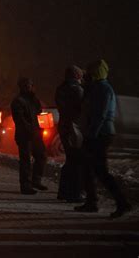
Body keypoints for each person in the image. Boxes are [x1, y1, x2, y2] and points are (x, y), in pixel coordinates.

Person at [74, 59, 131, 218]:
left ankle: (122, 202)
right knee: (88, 168)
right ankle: (92, 202)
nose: (86, 75)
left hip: (100, 135)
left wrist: (91, 134)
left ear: (96, 74)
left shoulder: (103, 89)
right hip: (95, 134)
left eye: (89, 73)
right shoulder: (96, 88)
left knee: (101, 171)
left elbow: (100, 114)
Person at [10, 77, 47, 194]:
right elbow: (19, 119)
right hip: (24, 136)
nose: (28, 87)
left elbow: (39, 114)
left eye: (30, 85)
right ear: (21, 87)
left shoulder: (34, 100)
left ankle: (36, 180)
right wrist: (30, 129)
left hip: (36, 134)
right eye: (26, 85)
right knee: (25, 161)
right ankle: (25, 186)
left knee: (41, 156)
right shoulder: (18, 101)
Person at [55, 65, 85, 202]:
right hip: (74, 128)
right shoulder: (76, 90)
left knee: (70, 160)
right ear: (77, 76)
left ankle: (63, 191)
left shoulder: (61, 88)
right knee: (76, 161)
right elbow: (81, 109)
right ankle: (73, 194)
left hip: (64, 126)